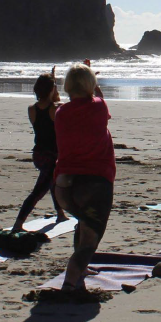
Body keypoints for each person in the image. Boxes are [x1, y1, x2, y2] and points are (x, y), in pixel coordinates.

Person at [53, 62, 115, 291]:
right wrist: (94, 85)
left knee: (83, 221)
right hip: (93, 183)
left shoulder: (60, 112)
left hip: (63, 186)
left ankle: (81, 267)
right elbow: (100, 102)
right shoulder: (98, 107)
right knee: (91, 238)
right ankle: (70, 281)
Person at [11, 67, 66, 232]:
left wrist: (52, 81)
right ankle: (18, 224)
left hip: (38, 154)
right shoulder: (55, 108)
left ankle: (60, 213)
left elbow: (50, 99)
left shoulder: (32, 109)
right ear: (52, 90)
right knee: (38, 191)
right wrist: (54, 86)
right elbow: (57, 101)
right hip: (52, 155)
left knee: (51, 182)